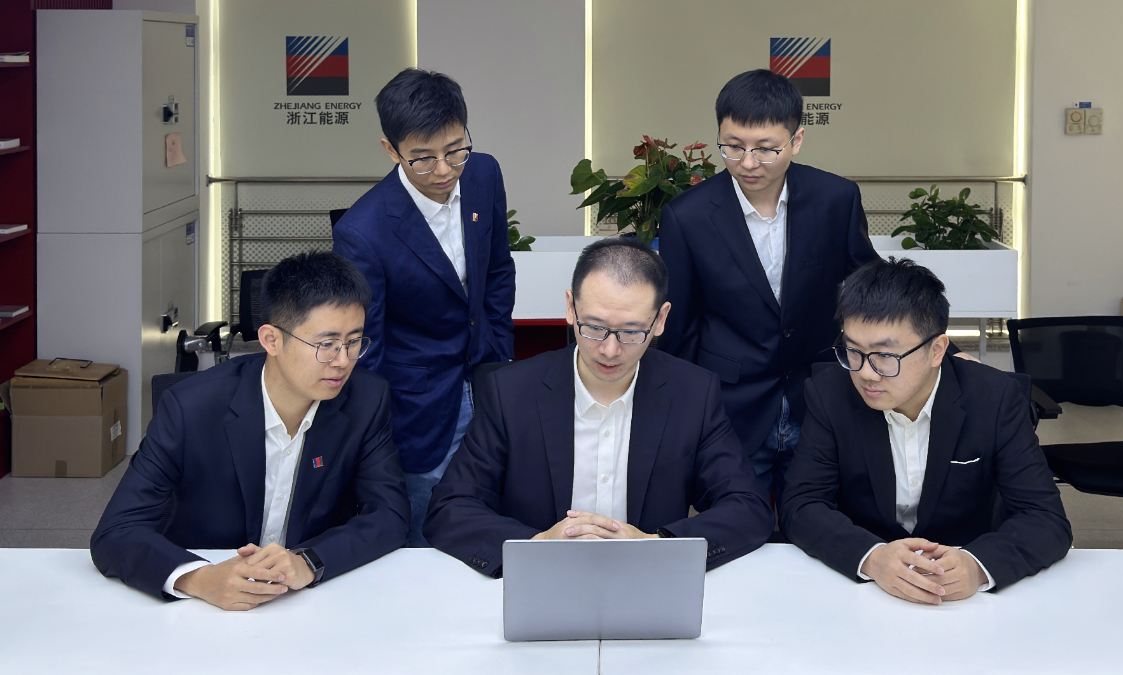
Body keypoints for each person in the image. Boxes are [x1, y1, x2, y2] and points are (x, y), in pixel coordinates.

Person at [425, 239, 773, 576]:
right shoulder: (511, 392)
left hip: (648, 578)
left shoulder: (693, 393)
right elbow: (450, 508)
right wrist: (537, 544)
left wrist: (656, 544)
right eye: (593, 327)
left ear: (660, 319)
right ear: (570, 307)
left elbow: (748, 507)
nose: (610, 350)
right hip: (542, 578)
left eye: (632, 332)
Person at [91, 252, 409, 610]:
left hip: (308, 603)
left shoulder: (366, 399)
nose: (343, 361)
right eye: (326, 345)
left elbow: (389, 515)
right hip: (203, 606)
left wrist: (309, 561)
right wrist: (199, 578)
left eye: (354, 342)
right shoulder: (190, 407)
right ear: (271, 340)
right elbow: (116, 531)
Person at [780, 258, 1072, 604]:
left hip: (966, 600)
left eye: (885, 355)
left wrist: (978, 566)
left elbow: (1045, 518)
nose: (866, 373)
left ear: (937, 350)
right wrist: (871, 557)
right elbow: (802, 504)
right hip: (864, 594)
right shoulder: (830, 394)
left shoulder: (994, 398)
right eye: (853, 351)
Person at [656, 69, 881, 510]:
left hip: (818, 396)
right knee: (736, 524)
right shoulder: (687, 216)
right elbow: (679, 324)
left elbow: (870, 287)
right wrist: (678, 412)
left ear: (796, 140)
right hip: (731, 406)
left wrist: (941, 350)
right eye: (733, 147)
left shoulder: (835, 198)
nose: (747, 162)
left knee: (820, 521)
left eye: (765, 149)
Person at [332, 68, 515, 547]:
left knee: (494, 512)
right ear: (391, 150)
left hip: (487, 377)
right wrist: (375, 440)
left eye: (455, 150)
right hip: (418, 404)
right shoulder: (363, 231)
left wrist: (499, 352)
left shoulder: (484, 174)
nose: (444, 170)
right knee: (426, 529)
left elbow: (497, 270)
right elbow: (365, 346)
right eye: (423, 158)